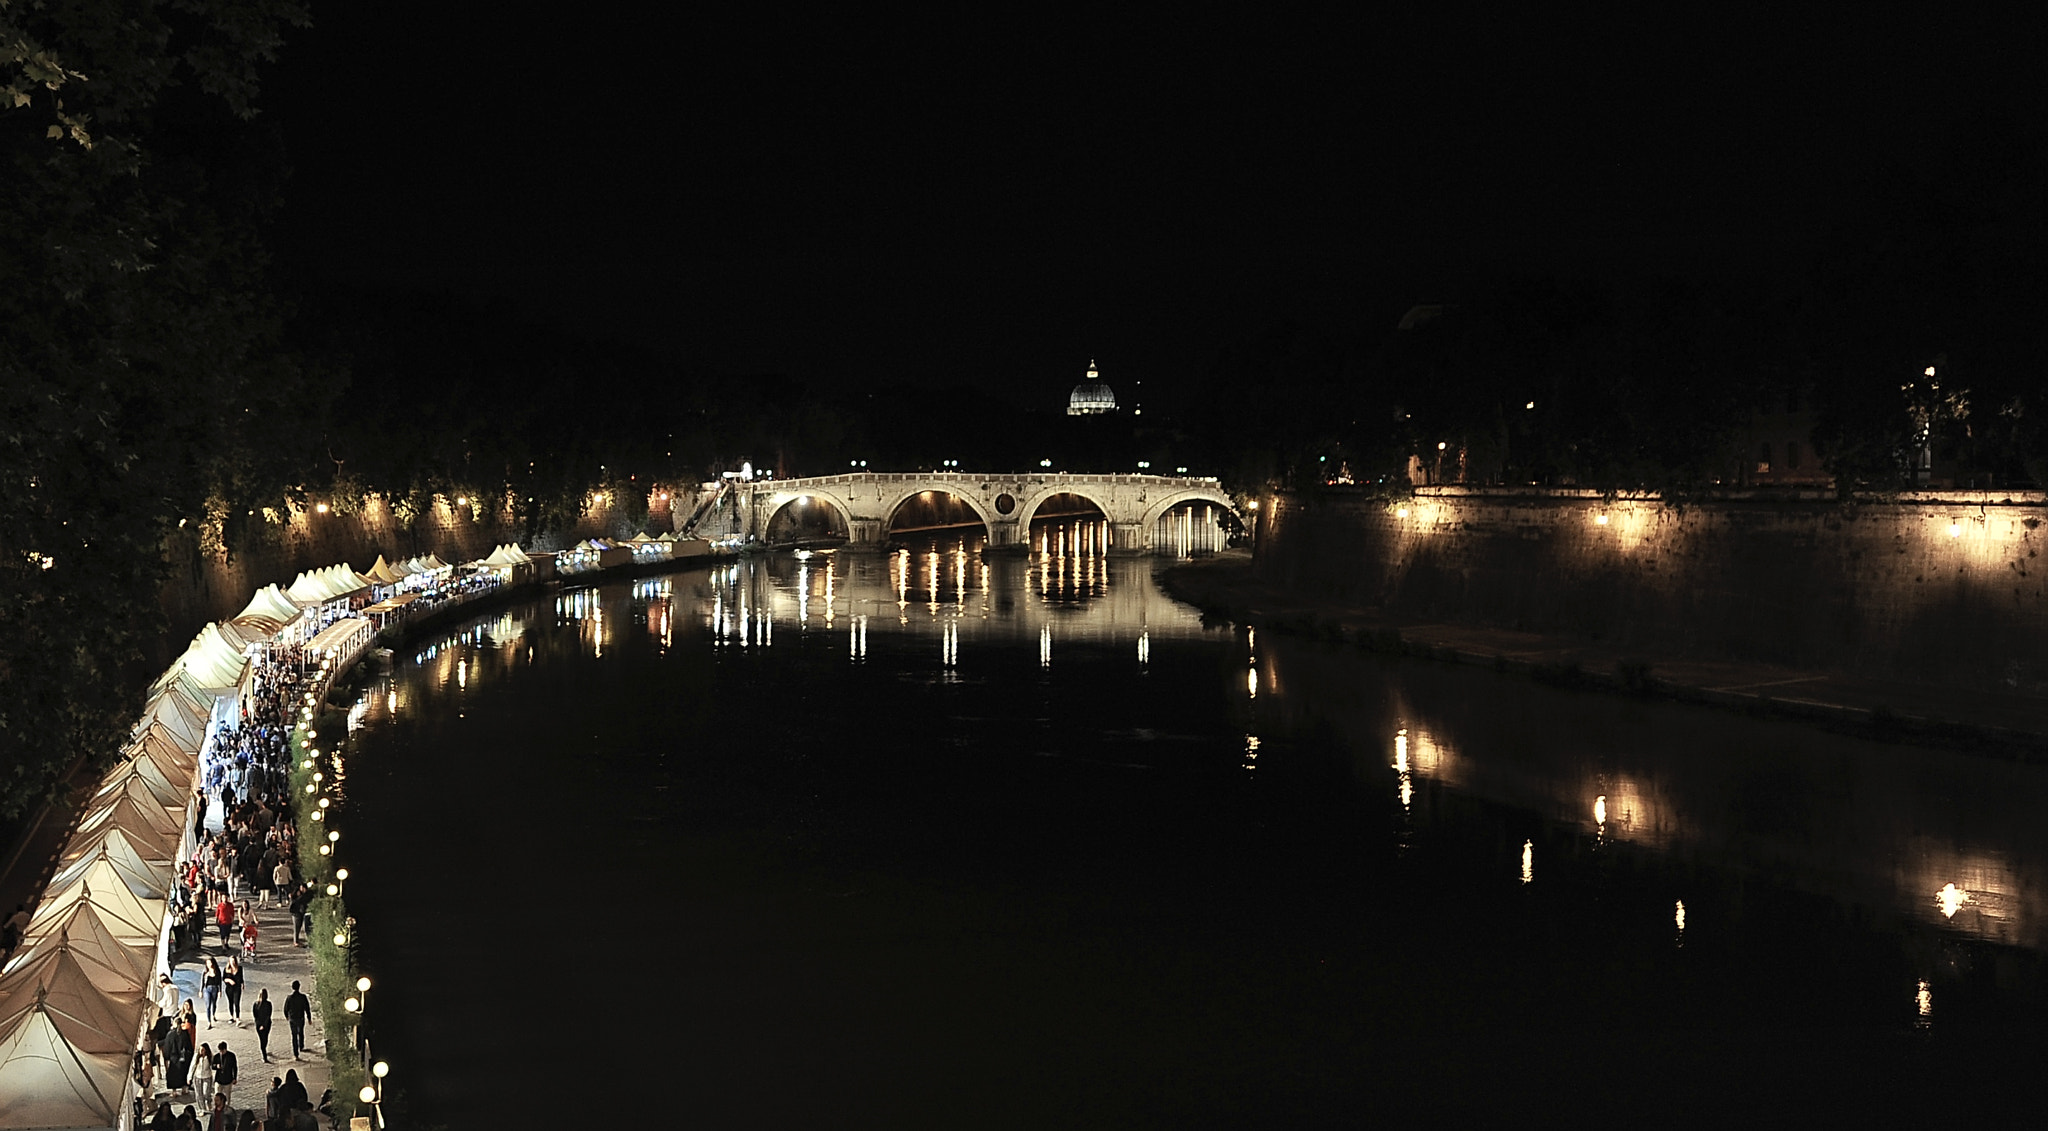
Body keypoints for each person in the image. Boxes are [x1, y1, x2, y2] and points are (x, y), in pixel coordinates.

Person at [283, 980, 311, 1058]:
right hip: (300, 1017)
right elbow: (307, 1008)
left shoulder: (289, 998)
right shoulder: (303, 997)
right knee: (301, 1032)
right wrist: (309, 1018)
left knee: (294, 1035)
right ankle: (301, 1045)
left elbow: (285, 1008)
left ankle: (296, 1053)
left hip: (292, 1018)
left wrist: (287, 1016)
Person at [189, 1042, 214, 1108]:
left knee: (206, 1093)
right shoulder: (196, 1056)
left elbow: (212, 1066)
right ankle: (202, 1108)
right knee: (199, 1094)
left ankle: (208, 1102)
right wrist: (189, 1077)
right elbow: (192, 1066)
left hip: (207, 1076)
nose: (201, 1051)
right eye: (200, 1050)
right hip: (198, 1076)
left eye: (202, 1050)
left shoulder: (209, 1056)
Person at [212, 1041, 237, 1106]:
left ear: (225, 1049)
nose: (221, 1052)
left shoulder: (231, 1056)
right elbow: (212, 1066)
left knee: (227, 1096)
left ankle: (227, 1107)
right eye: (220, 1051)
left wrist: (235, 1077)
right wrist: (216, 1066)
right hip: (218, 1079)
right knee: (217, 1095)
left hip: (228, 1079)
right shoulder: (217, 1056)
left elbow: (234, 1067)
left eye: (222, 1051)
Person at [252, 988, 274, 1061]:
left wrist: (259, 1024)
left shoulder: (256, 1004)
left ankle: (264, 1053)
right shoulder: (269, 1004)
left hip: (259, 1025)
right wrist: (264, 1025)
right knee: (265, 1038)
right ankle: (264, 1055)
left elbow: (255, 1016)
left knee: (261, 1039)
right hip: (267, 1024)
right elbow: (268, 1015)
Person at [201, 957, 223, 1026]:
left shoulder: (217, 971)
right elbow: (202, 982)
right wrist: (200, 990)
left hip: (215, 988)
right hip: (207, 989)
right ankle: (209, 1022)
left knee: (214, 1003)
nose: (208, 965)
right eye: (207, 963)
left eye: (210, 963)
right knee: (208, 1005)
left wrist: (220, 991)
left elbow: (219, 982)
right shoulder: (205, 972)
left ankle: (213, 1014)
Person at [222, 957, 243, 1024]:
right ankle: (231, 1017)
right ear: (229, 962)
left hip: (237, 988)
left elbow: (241, 977)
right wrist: (229, 980)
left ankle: (237, 1018)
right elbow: (224, 979)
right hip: (229, 988)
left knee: (237, 1003)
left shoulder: (239, 968)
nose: (233, 962)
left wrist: (242, 984)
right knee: (230, 1002)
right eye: (231, 961)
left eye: (234, 961)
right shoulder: (226, 969)